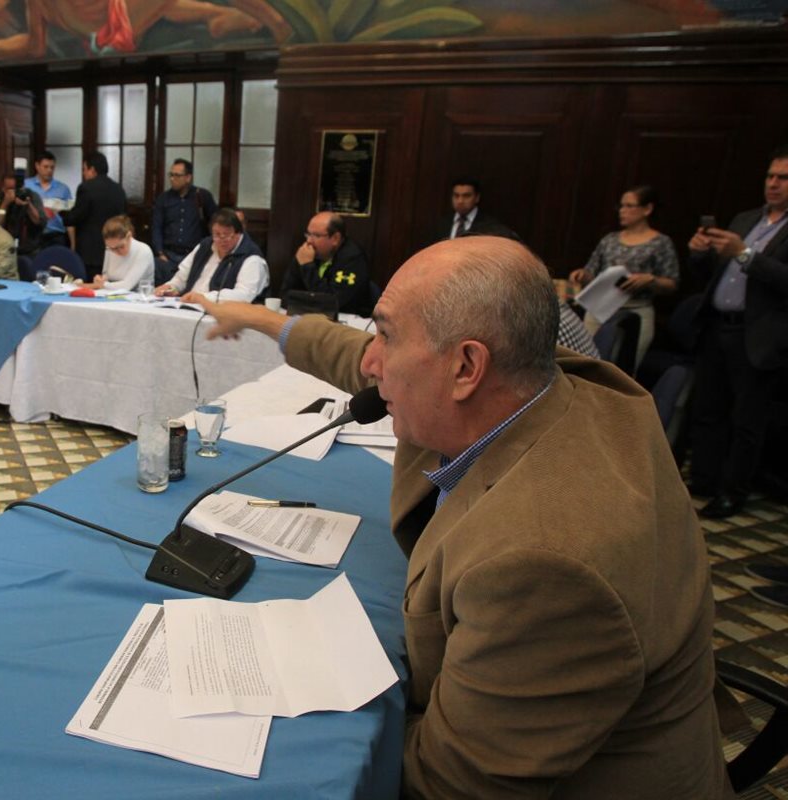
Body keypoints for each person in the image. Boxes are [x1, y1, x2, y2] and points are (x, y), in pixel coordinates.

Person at [194, 236, 729, 798]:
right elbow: (354, 354)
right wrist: (260, 319)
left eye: (388, 336)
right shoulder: (530, 380)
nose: (370, 362)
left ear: (467, 367)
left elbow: (451, 784)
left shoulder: (545, 567)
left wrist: (287, 749)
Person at [687, 147, 788, 520]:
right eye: (770, 176)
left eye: (783, 178)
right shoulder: (746, 218)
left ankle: (733, 492)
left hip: (758, 335)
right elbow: (712, 273)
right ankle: (704, 480)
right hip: (717, 326)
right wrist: (700, 254)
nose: (773, 184)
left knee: (746, 420)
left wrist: (744, 254)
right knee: (707, 410)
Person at [569, 185, 679, 367]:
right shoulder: (610, 239)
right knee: (586, 364)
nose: (622, 211)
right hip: (600, 307)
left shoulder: (661, 243)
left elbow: (672, 283)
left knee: (624, 369)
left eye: (629, 206)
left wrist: (650, 280)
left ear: (647, 209)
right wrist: (581, 275)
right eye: (621, 206)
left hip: (635, 311)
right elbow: (591, 271)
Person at [154, 207, 268, 303]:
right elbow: (182, 278)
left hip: (223, 316)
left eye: (227, 235)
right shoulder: (205, 245)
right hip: (188, 306)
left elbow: (244, 295)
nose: (222, 240)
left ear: (238, 233)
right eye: (217, 234)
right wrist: (171, 287)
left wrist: (203, 298)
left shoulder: (252, 258)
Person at [279, 211, 373, 316]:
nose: (309, 241)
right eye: (308, 234)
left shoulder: (352, 259)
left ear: (335, 238)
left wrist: (307, 267)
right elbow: (286, 296)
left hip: (348, 322)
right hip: (309, 319)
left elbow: (333, 302)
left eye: (316, 235)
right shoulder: (306, 252)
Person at [60, 151, 127, 279]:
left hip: (89, 252)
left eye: (85, 170)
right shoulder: (118, 189)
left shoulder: (86, 188)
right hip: (114, 248)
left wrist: (62, 214)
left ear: (92, 169)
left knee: (89, 288)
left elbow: (75, 217)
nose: (84, 174)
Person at [151, 158, 217, 283]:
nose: (172, 179)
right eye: (171, 175)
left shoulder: (202, 196)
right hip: (169, 255)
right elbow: (157, 227)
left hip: (194, 254)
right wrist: (160, 252)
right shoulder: (163, 199)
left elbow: (214, 224)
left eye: (177, 175)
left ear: (188, 177)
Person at [427, 178, 518, 245]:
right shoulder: (442, 223)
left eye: (466, 196)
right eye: (456, 195)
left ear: (477, 198)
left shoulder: (490, 226)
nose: (460, 201)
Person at [91, 215, 154, 292]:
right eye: (111, 248)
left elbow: (126, 286)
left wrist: (102, 284)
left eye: (120, 247)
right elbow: (106, 276)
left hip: (140, 299)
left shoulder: (143, 251)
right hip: (113, 296)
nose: (116, 252)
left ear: (129, 236)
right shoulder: (109, 249)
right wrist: (101, 279)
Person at [25, 151, 74, 249]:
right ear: (37, 166)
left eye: (52, 167)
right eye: (46, 167)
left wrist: (73, 244)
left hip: (57, 236)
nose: (49, 170)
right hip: (33, 235)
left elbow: (70, 219)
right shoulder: (26, 185)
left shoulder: (63, 189)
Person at [0, 172, 46, 257]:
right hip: (5, 250)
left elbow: (39, 222)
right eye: (10, 189)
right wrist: (5, 204)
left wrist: (28, 205)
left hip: (30, 250)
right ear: (3, 189)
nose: (15, 192)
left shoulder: (31, 196)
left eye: (17, 188)